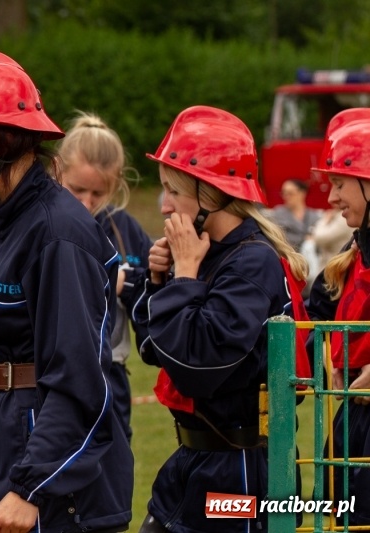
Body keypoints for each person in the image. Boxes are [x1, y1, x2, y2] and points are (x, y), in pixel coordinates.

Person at [0, 48, 133, 533]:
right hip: (5, 443)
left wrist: (28, 489)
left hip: (54, 483)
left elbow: (78, 377)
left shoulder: (58, 232)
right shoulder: (7, 218)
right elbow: (16, 331)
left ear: (4, 145)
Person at [132, 105, 308, 533]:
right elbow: (153, 350)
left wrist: (185, 278)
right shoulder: (207, 252)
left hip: (239, 475)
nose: (165, 204)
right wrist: (160, 282)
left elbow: (199, 367)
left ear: (211, 193)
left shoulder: (252, 262)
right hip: (192, 461)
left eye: (174, 191)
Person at [56, 111, 152, 442]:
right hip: (52, 379)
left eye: (98, 194)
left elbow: (153, 293)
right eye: (77, 189)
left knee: (111, 487)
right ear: (58, 170)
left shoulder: (125, 230)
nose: (86, 203)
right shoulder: (42, 223)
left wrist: (133, 283)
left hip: (112, 378)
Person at [305, 107, 370, 526]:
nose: (330, 199)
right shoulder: (350, 262)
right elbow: (311, 326)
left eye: (340, 183)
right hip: (352, 425)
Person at [266, 178, 322, 252]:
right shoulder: (278, 213)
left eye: (290, 193)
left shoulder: (314, 216)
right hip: (287, 254)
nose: (286, 196)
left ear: (302, 193)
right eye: (283, 193)